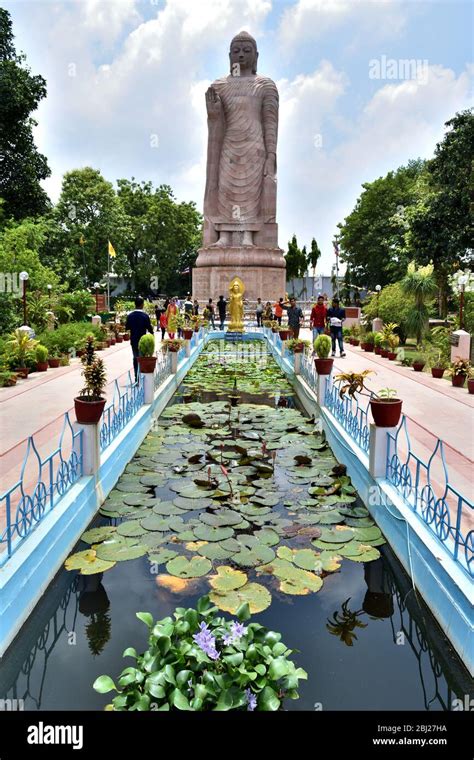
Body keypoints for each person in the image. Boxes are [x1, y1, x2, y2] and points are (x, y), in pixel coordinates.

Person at [125, 296, 154, 381]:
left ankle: (136, 378)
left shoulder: (130, 316)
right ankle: (142, 376)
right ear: (142, 304)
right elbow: (149, 328)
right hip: (143, 341)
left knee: (135, 357)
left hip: (133, 339)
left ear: (135, 304)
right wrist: (152, 334)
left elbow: (127, 327)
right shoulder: (145, 316)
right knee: (142, 358)